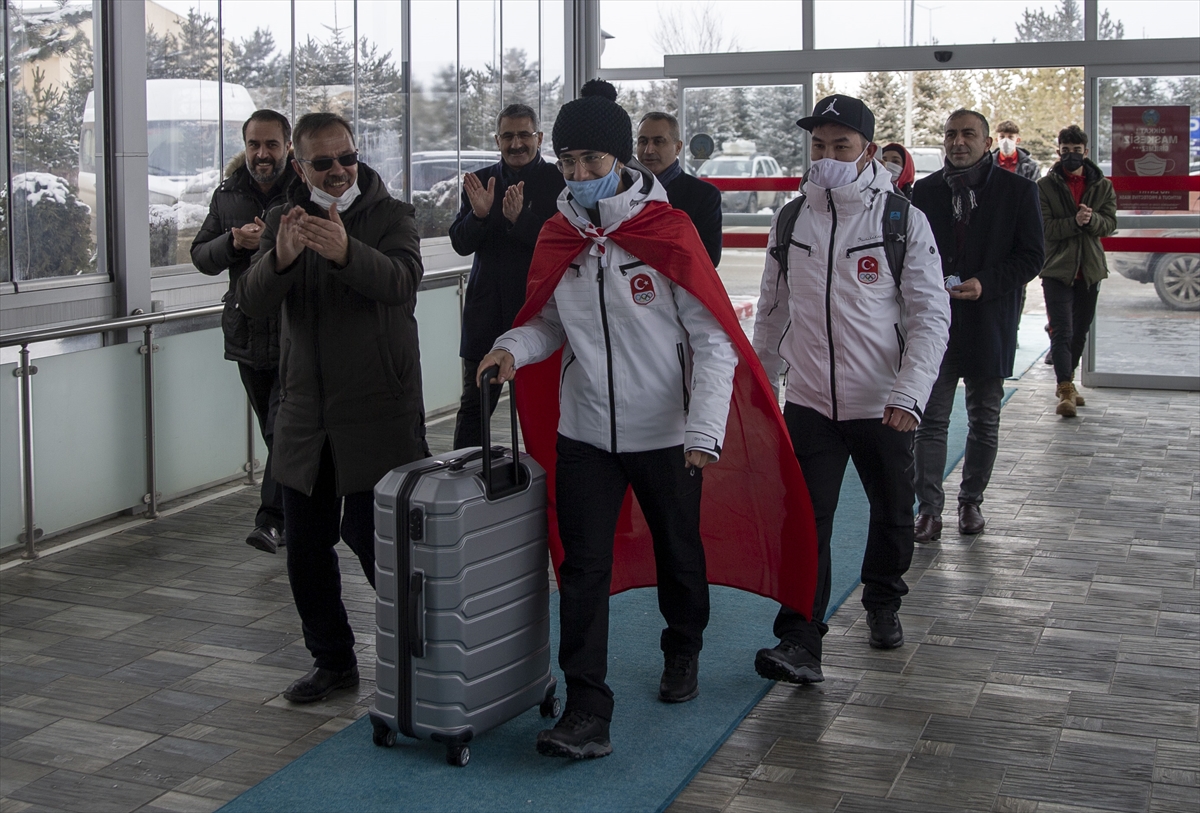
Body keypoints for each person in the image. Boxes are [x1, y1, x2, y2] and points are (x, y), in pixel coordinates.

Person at [477, 80, 816, 760]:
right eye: (568, 162)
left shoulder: (668, 231)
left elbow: (716, 337)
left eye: (591, 163)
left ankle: (682, 645)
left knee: (678, 551)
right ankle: (587, 706)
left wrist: (703, 429)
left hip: (664, 433)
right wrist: (512, 347)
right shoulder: (557, 232)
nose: (577, 177)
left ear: (622, 158)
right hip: (585, 434)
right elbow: (546, 322)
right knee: (580, 568)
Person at [751, 95, 950, 685]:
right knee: (805, 519)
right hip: (810, 400)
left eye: (841, 146)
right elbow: (771, 313)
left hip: (883, 403)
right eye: (819, 146)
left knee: (892, 512)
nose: (828, 156)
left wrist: (910, 392)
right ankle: (800, 640)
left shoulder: (901, 220)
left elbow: (930, 315)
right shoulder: (790, 220)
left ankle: (883, 601)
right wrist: (761, 388)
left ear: (867, 149)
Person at [237, 112, 427, 703]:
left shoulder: (391, 214)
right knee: (305, 547)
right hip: (305, 416)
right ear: (300, 165)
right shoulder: (281, 219)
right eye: (324, 162)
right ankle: (333, 661)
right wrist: (282, 258)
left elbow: (402, 283)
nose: (340, 170)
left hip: (377, 411)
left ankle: (422, 657)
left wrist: (348, 252)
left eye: (347, 156)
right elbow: (252, 302)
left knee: (380, 544)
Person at [911, 109, 1044, 541]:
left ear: (988, 142)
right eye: (950, 134)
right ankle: (929, 510)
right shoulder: (925, 192)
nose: (958, 142)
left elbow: (1031, 256)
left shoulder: (1019, 191)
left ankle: (971, 503)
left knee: (984, 418)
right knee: (930, 420)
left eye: (969, 134)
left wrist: (985, 284)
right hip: (936, 323)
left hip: (990, 318)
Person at [191, 109, 296, 555]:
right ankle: (300, 504)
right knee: (274, 433)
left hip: (296, 332)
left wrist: (272, 242)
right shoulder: (228, 194)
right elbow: (200, 255)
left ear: (288, 147)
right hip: (247, 335)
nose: (262, 154)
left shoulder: (305, 190)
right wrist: (234, 242)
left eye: (271, 145)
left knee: (283, 426)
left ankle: (272, 520)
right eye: (254, 144)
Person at [448, 103, 564, 449]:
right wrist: (479, 216)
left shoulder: (559, 182)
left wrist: (520, 221)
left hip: (543, 316)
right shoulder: (480, 181)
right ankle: (464, 480)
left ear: (539, 138)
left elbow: (563, 245)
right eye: (508, 136)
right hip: (487, 315)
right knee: (474, 407)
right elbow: (460, 243)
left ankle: (549, 489)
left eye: (524, 135)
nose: (516, 143)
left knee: (546, 410)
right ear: (497, 139)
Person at [1037, 124, 1117, 418]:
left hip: (1091, 269)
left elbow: (1110, 224)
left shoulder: (1102, 185)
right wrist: (1075, 222)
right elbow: (1044, 228)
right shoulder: (1044, 186)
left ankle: (1067, 384)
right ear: (1058, 151)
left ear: (1086, 151)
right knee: (1062, 330)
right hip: (1057, 269)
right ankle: (1065, 387)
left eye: (1077, 150)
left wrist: (1092, 219)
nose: (1071, 155)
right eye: (1066, 150)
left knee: (1080, 331)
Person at [636, 112, 723, 267]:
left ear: (678, 147)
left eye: (658, 141)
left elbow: (709, 258)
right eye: (643, 141)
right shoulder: (623, 190)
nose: (649, 150)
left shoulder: (704, 196)